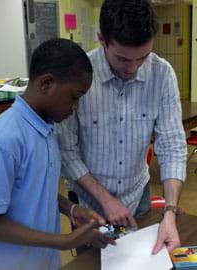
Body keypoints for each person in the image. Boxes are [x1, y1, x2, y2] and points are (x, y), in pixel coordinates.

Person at [57, 0, 187, 254]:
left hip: (137, 196)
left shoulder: (162, 74)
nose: (133, 68)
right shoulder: (78, 74)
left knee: (142, 260)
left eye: (143, 57)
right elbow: (67, 151)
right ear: (101, 39)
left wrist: (170, 213)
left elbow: (172, 146)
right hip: (90, 204)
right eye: (123, 58)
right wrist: (106, 201)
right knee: (93, 263)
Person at [0, 38, 114, 270]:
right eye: (74, 97)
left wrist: (71, 209)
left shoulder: (46, 128)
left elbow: (33, 190)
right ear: (46, 83)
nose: (76, 108)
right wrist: (62, 241)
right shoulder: (3, 141)